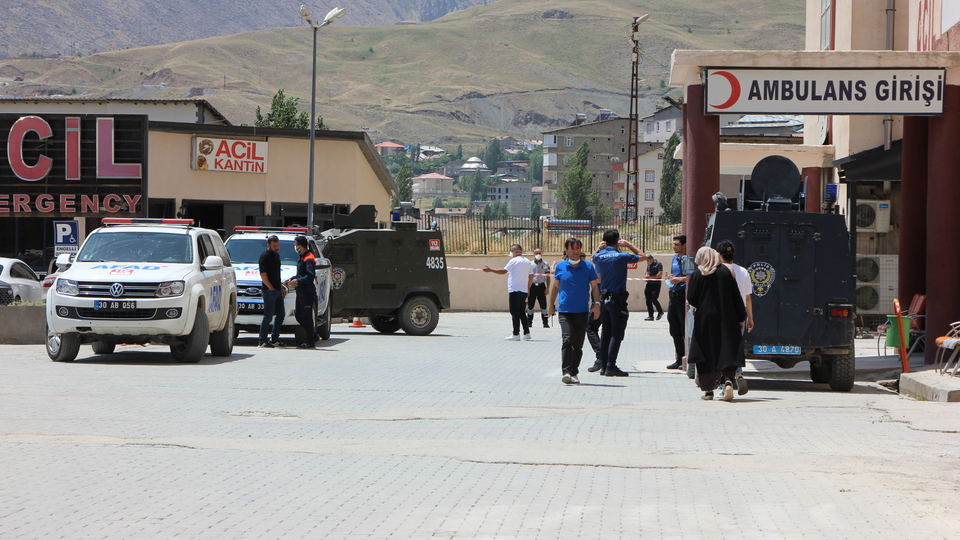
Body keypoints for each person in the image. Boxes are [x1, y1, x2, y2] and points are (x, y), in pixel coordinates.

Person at [687, 246, 746, 401]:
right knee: (726, 349)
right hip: (728, 318)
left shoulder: (698, 274)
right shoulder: (727, 272)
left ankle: (708, 391)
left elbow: (691, 298)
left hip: (705, 319)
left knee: (706, 352)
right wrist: (741, 317)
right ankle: (727, 381)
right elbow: (736, 297)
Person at [588, 229, 642, 377]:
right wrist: (629, 245)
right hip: (617, 299)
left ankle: (604, 366)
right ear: (617, 241)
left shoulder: (599, 257)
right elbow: (643, 256)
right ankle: (611, 365)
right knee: (616, 334)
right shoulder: (621, 256)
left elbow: (593, 257)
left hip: (604, 298)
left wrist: (600, 247)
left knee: (605, 332)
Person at [548, 237, 601, 385]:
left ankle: (574, 372)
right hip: (565, 310)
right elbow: (555, 287)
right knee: (567, 339)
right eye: (572, 248)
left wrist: (596, 304)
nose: (575, 251)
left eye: (578, 248)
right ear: (566, 250)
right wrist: (551, 304)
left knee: (578, 344)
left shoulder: (588, 267)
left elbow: (595, 287)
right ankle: (566, 371)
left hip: (582, 311)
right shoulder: (560, 267)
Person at [717, 240, 754, 396]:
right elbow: (747, 298)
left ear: (719, 254)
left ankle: (726, 382)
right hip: (739, 316)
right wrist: (750, 317)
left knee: (722, 350)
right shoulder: (743, 271)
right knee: (736, 347)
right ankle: (738, 373)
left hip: (721, 315)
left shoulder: (717, 271)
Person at [483, 244, 534, 341]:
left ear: (515, 251)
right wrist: (528, 288)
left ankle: (516, 334)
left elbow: (503, 271)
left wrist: (491, 270)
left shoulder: (513, 261)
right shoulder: (527, 261)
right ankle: (527, 333)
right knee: (521, 312)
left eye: (511, 250)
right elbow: (531, 275)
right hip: (523, 290)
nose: (510, 252)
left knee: (514, 312)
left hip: (515, 289)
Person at [285, 236, 318, 349]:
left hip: (307, 292)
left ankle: (310, 341)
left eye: (296, 244)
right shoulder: (302, 257)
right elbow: (300, 274)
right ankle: (312, 335)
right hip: (300, 292)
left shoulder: (308, 258)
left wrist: (298, 281)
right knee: (299, 316)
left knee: (306, 317)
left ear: (300, 245)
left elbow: (310, 276)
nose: (295, 247)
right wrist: (292, 279)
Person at [258, 235, 286, 348]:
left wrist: (280, 287)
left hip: (277, 289)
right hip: (269, 291)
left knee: (281, 314)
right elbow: (263, 274)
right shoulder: (265, 256)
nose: (277, 247)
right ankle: (262, 340)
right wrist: (270, 288)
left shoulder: (276, 255)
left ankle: (275, 338)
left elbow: (276, 274)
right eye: (274, 246)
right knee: (268, 315)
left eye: (278, 245)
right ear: (268, 245)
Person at [665, 235, 688, 369]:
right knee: (674, 328)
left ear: (684, 245)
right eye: (673, 244)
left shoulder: (689, 259)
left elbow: (691, 276)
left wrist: (679, 280)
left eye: (676, 244)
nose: (674, 246)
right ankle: (678, 358)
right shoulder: (674, 258)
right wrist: (671, 278)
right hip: (672, 295)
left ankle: (686, 357)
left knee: (683, 327)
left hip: (682, 296)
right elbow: (675, 276)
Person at [527, 248, 551, 328]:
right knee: (530, 305)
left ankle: (545, 322)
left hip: (541, 286)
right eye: (536, 253)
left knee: (543, 305)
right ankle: (529, 322)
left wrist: (548, 288)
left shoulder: (545, 264)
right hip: (532, 286)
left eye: (539, 253)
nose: (538, 254)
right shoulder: (530, 264)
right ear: (533, 254)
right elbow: (528, 277)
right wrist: (528, 288)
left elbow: (548, 277)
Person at [643, 253, 664, 321]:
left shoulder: (658, 264)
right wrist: (646, 275)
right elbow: (647, 271)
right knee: (648, 300)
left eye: (648, 260)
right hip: (649, 284)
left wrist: (651, 277)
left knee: (654, 299)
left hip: (656, 284)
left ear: (652, 259)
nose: (648, 261)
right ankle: (650, 316)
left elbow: (659, 274)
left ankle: (660, 311)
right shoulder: (649, 264)